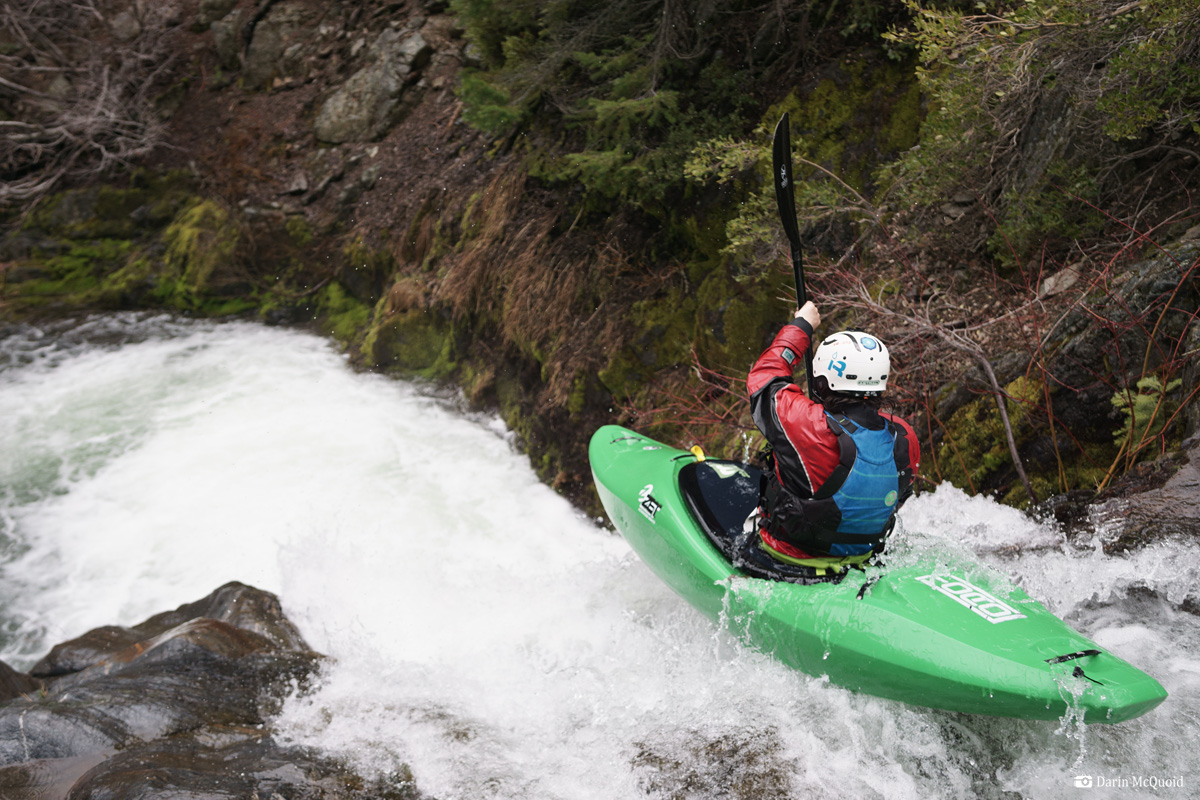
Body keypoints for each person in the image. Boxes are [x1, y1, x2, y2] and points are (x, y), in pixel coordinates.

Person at [746, 301, 921, 571]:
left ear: (821, 382)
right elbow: (899, 495)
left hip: (787, 560)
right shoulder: (903, 436)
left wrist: (802, 325)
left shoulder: (808, 424)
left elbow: (766, 376)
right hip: (862, 561)